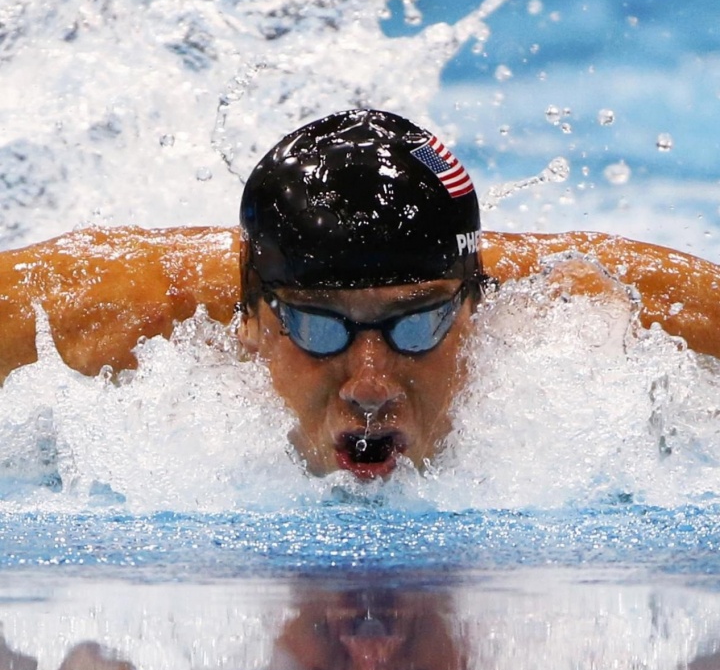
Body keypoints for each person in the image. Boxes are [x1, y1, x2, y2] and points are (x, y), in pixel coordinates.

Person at [2, 107, 720, 480]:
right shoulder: (115, 313)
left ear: (476, 308)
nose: (371, 385)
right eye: (321, 329)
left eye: (416, 326)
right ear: (251, 316)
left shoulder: (602, 306)